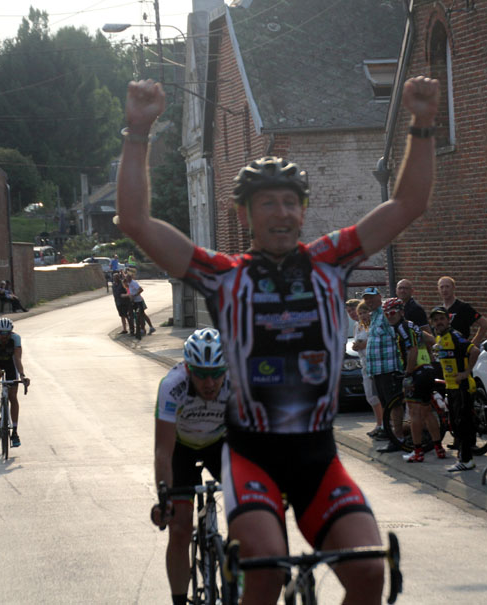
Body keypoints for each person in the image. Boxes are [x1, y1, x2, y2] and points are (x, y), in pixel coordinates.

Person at [116, 75, 439, 604]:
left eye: (291, 202)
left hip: (318, 457)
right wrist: (138, 129)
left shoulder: (330, 261)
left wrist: (422, 123)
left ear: (303, 211)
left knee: (370, 572)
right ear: (245, 215)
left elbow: (407, 205)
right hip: (252, 458)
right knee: (263, 572)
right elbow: (134, 220)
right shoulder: (224, 275)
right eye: (267, 203)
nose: (282, 212)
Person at [151, 328, 231, 605]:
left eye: (216, 373)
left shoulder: (237, 383)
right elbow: (163, 450)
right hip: (180, 449)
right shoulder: (172, 385)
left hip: (221, 443)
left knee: (250, 517)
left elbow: (253, 442)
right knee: (180, 529)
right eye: (200, 374)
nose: (209, 383)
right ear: (188, 369)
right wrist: (164, 499)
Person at [382, 298, 445, 462]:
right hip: (428, 370)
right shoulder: (412, 325)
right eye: (386, 313)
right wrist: (430, 356)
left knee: (415, 414)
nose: (390, 316)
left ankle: (418, 452)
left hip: (416, 373)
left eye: (393, 312)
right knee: (427, 412)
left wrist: (408, 374)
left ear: (401, 312)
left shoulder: (402, 328)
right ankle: (438, 449)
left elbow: (413, 350)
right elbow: (431, 340)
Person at [430, 306, 480, 471]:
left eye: (442, 319)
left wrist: (466, 373)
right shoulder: (440, 337)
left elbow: (474, 350)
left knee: (463, 424)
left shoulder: (454, 335)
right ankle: (464, 459)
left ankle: (466, 460)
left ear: (448, 320)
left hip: (462, 386)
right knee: (456, 424)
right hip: (451, 387)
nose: (439, 322)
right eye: (436, 320)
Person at [363, 286, 405, 450]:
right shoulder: (374, 316)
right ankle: (392, 436)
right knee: (387, 405)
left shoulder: (386, 314)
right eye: (366, 298)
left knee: (394, 405)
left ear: (379, 297)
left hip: (389, 368)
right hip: (377, 370)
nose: (369, 301)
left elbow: (399, 336)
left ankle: (398, 438)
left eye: (372, 297)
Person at [0, 317, 29, 448]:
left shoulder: (15, 339)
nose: (4, 336)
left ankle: (15, 432)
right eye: (1, 333)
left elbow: (18, 359)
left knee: (13, 397)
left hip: (10, 364)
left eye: (7, 333)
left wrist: (23, 376)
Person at [352, 300, 385, 438]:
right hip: (365, 365)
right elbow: (357, 342)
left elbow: (375, 341)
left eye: (365, 312)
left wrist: (363, 344)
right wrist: (356, 346)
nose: (363, 316)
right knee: (370, 396)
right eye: (360, 313)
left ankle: (384, 425)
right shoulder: (358, 326)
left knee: (379, 396)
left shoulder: (375, 325)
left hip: (376, 364)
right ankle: (379, 423)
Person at [437, 276, 487, 345]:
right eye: (442, 287)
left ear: (453, 288)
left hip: (460, 351)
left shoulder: (463, 307)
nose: (444, 290)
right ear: (438, 289)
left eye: (447, 286)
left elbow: (485, 324)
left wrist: (472, 345)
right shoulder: (440, 310)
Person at [125, 274, 156, 339]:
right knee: (141, 315)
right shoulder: (130, 283)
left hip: (139, 301)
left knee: (141, 315)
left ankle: (144, 329)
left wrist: (135, 295)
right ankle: (149, 328)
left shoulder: (134, 283)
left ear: (130, 278)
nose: (126, 280)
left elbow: (141, 289)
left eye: (127, 278)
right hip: (135, 302)